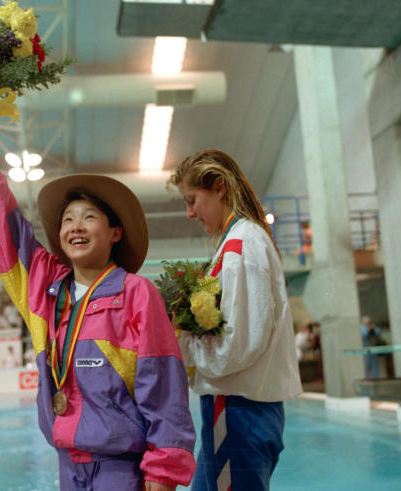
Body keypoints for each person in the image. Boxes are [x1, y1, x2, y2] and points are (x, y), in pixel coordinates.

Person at [0, 129, 195, 490]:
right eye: (68, 220)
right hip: (69, 468)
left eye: (89, 217)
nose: (76, 227)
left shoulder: (136, 293)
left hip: (123, 470)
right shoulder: (45, 292)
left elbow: (163, 385)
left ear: (115, 232)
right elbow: (9, 233)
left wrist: (163, 469)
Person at [169, 149, 302, 491]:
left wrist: (181, 340)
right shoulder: (238, 242)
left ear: (219, 187)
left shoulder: (242, 246)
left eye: (192, 200)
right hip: (236, 409)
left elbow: (237, 347)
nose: (189, 212)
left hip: (237, 410)